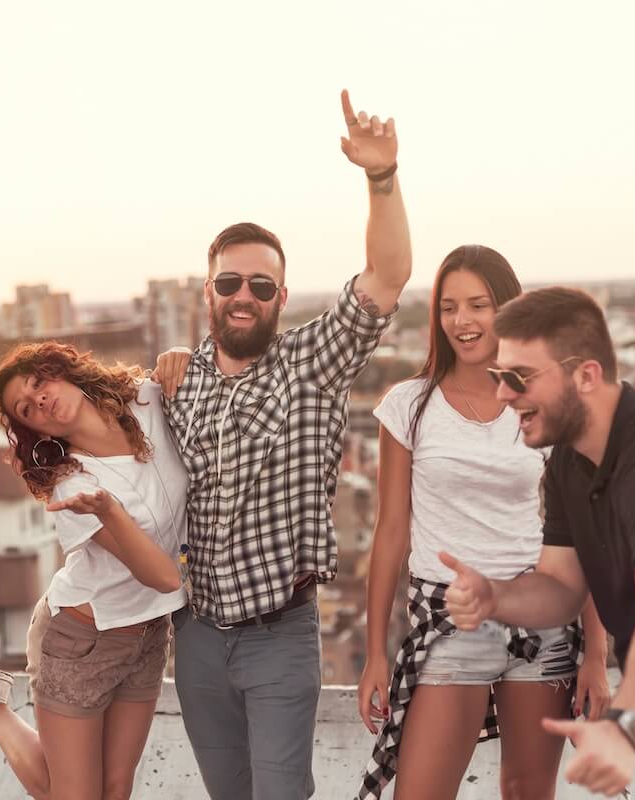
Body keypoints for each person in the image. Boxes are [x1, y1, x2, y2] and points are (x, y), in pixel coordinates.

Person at [152, 89, 411, 799]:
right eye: (228, 282)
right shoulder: (177, 381)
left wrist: (381, 178)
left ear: (281, 295)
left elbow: (386, 279)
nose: (243, 295)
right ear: (207, 290)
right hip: (196, 637)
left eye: (259, 285)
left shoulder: (311, 363)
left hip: (279, 634)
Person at [441, 286, 635, 798]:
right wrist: (496, 597)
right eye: (499, 377)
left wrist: (625, 727)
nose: (502, 394)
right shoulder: (572, 461)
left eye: (518, 378)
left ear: (585, 375)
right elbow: (561, 588)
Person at [355, 246, 610, 800]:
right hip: (450, 618)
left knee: (526, 791)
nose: (462, 321)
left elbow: (578, 532)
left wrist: (595, 652)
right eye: (449, 307)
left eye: (478, 305)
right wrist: (376, 651)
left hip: (539, 617)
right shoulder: (409, 405)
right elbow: (391, 531)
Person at [0, 342, 186, 800]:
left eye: (40, 382)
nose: (40, 399)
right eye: (26, 407)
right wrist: (110, 512)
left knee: (115, 791)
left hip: (149, 633)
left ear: (62, 371)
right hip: (80, 641)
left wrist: (181, 354)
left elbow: (202, 378)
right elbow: (164, 577)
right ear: (32, 428)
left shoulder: (148, 400)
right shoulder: (72, 487)